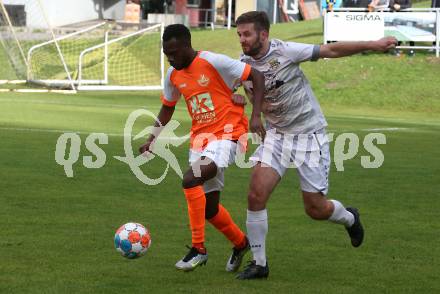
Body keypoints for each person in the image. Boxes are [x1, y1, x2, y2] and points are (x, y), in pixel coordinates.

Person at [233, 11, 397, 279]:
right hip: (276, 136)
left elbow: (330, 51)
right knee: (255, 195)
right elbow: (230, 89)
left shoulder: (286, 51)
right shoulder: (242, 63)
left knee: (315, 209)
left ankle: (350, 218)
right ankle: (260, 264)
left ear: (263, 34)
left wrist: (372, 44)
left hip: (308, 135)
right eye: (239, 34)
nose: (242, 39)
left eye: (247, 34)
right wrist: (236, 100)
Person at [139, 24, 265, 272]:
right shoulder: (173, 75)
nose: (171, 59)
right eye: (167, 54)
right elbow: (167, 107)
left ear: (187, 45)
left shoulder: (214, 62)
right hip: (200, 140)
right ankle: (241, 243)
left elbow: (256, 76)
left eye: (174, 53)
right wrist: (151, 138)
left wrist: (256, 115)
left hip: (228, 135)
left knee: (190, 179)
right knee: (209, 208)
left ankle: (199, 249)